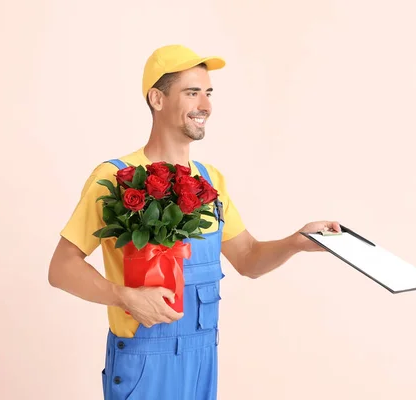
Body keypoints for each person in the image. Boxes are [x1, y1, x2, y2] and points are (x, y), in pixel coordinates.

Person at [48, 44, 341, 400]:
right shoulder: (115, 177)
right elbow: (61, 268)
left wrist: (296, 242)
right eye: (191, 93)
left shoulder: (210, 180)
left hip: (202, 355)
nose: (205, 106)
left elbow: (248, 258)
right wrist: (122, 296)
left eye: (208, 93)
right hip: (144, 362)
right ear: (157, 98)